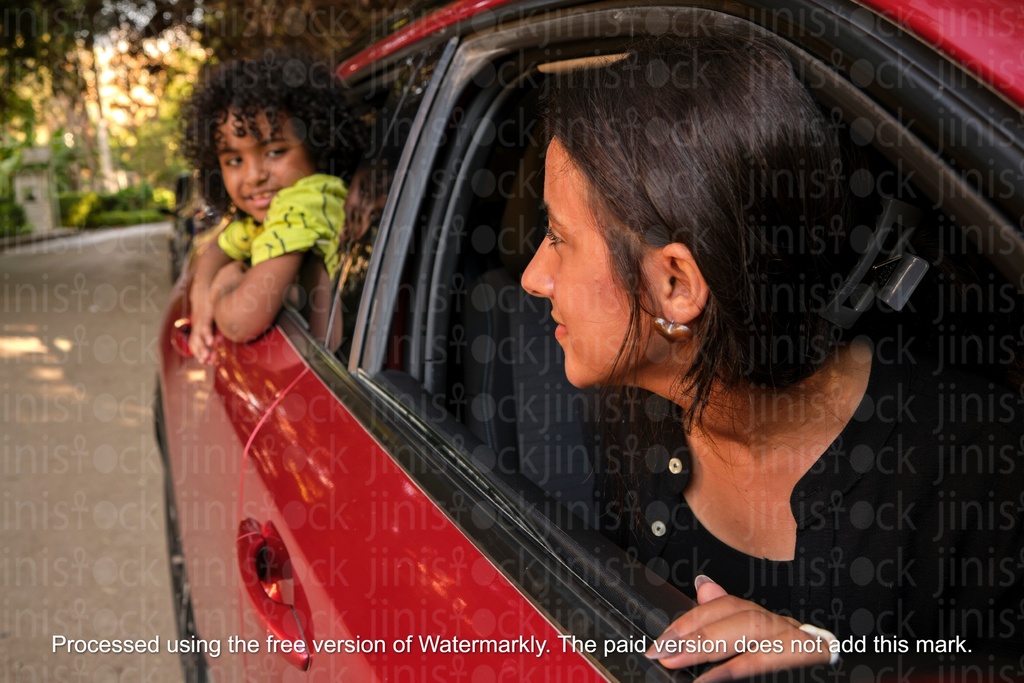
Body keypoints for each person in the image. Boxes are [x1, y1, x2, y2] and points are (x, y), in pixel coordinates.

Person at [521, 33, 1024, 680]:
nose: (534, 275)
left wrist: (844, 663)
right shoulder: (627, 413)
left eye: (559, 238)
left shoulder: (980, 467)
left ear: (675, 284)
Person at [182, 51, 364, 363]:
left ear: (318, 144)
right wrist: (201, 306)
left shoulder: (308, 201)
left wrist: (223, 285)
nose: (254, 176)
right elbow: (216, 249)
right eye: (235, 160)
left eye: (275, 151)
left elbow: (240, 321)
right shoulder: (263, 219)